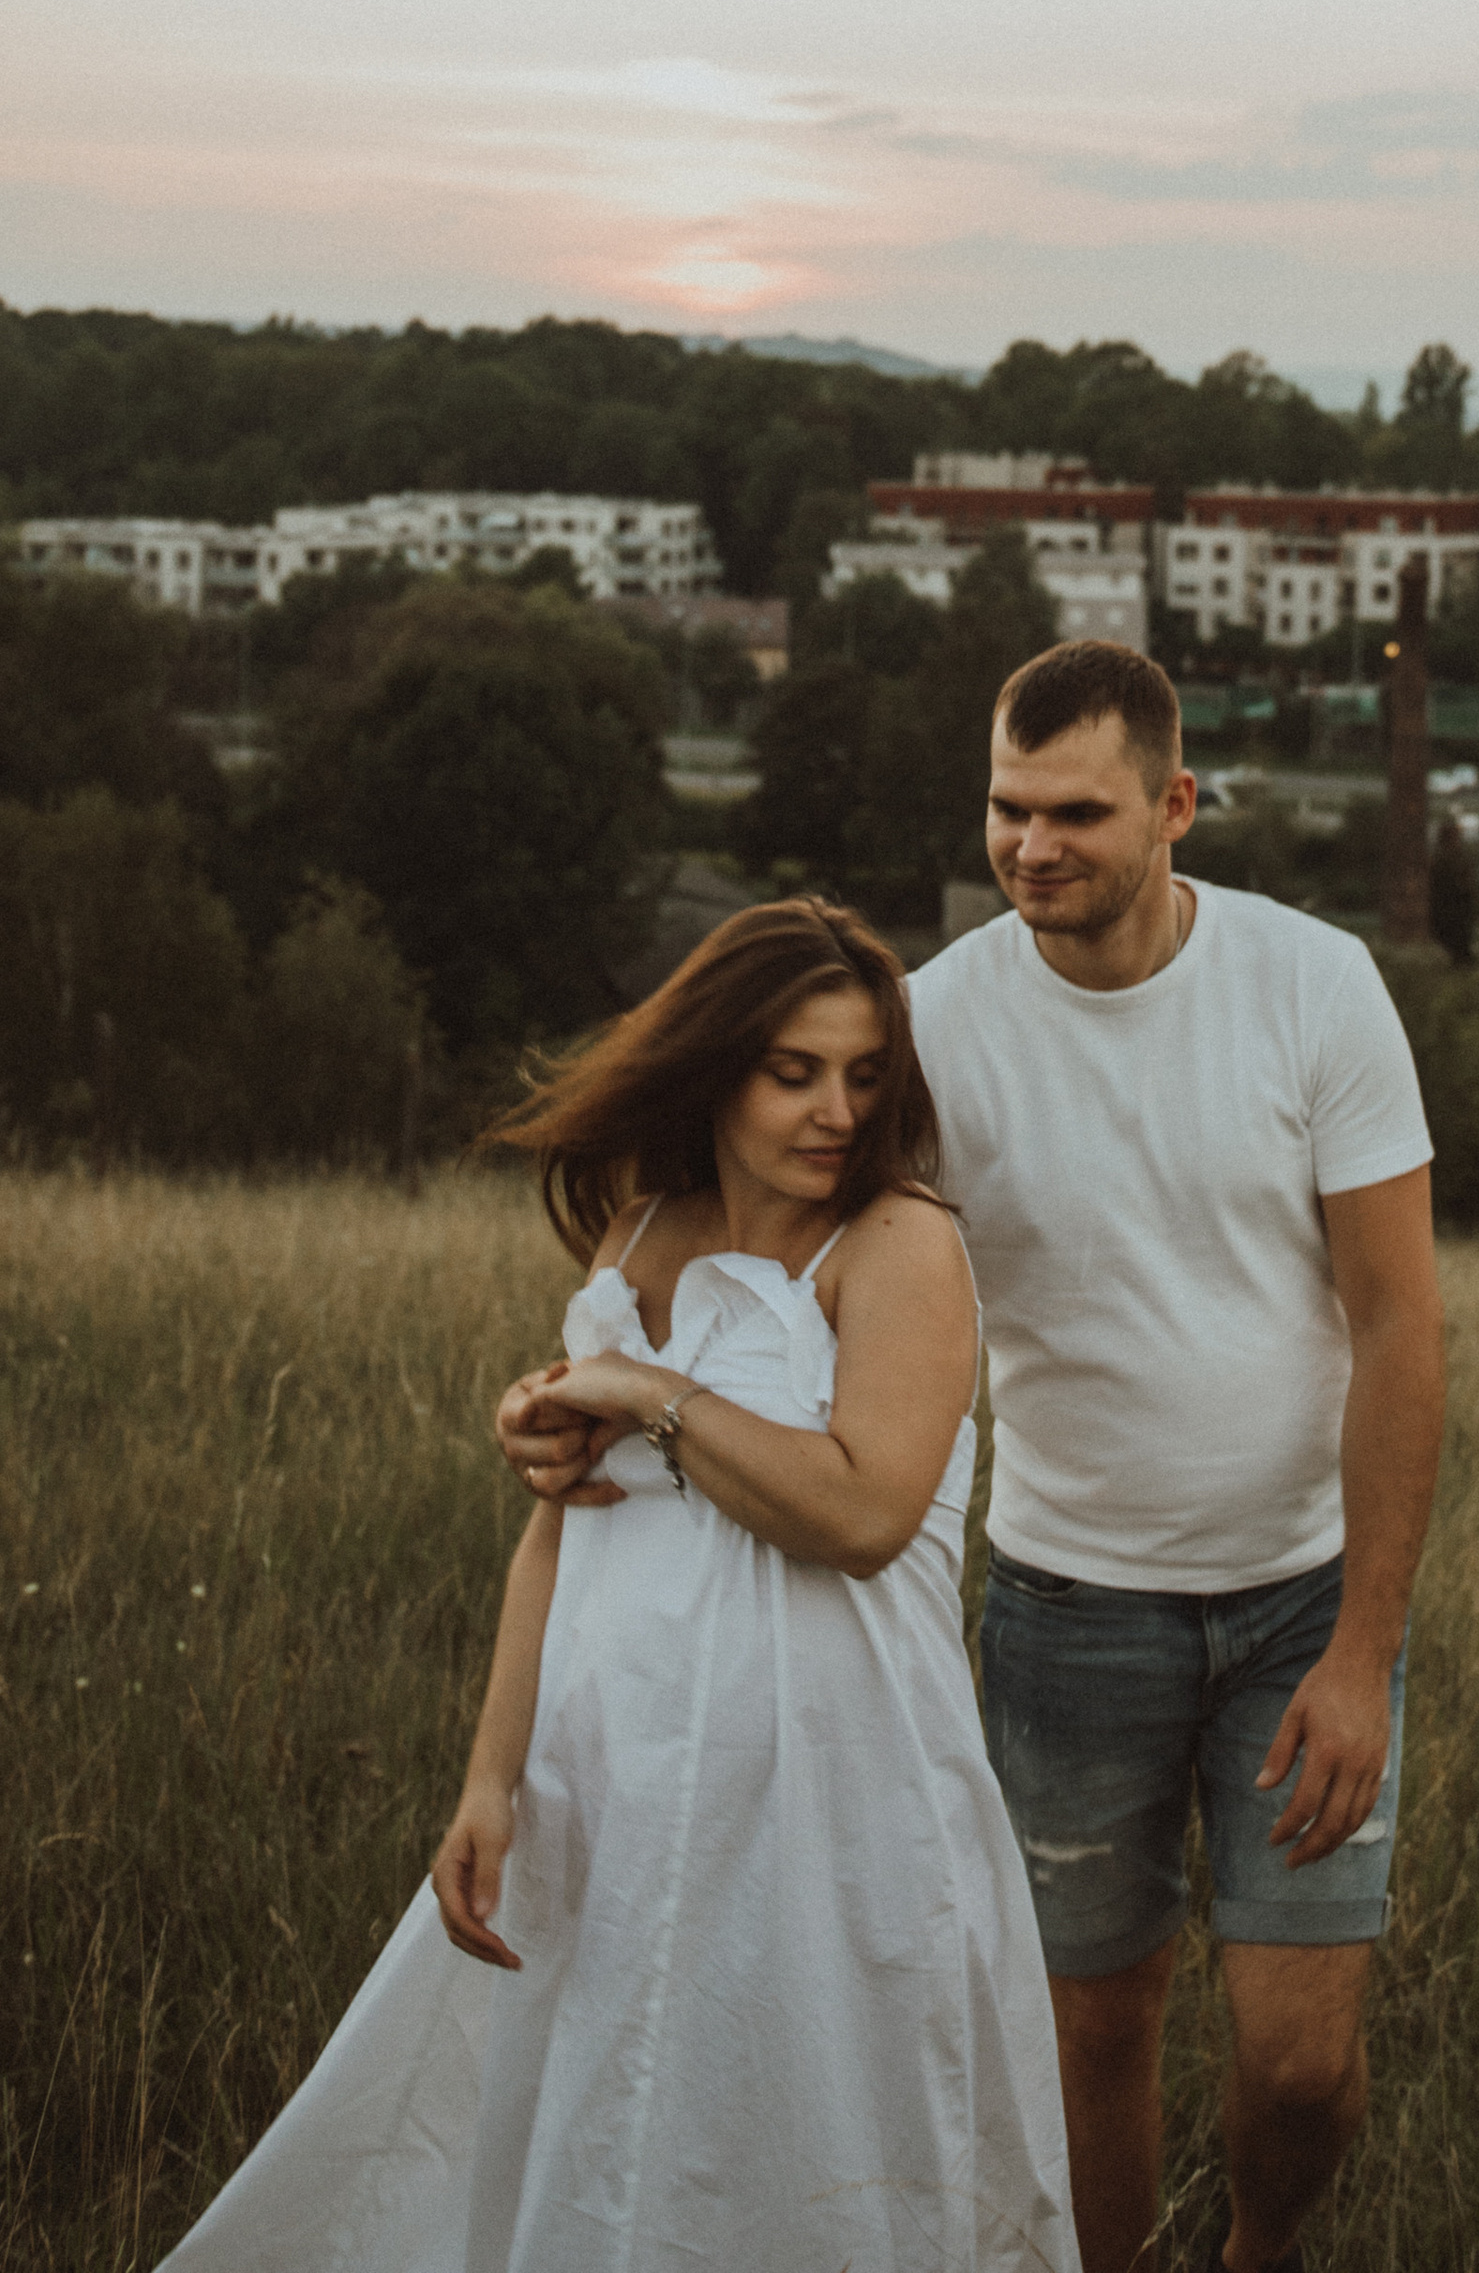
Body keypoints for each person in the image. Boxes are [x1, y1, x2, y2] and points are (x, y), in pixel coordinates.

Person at [504, 640, 1446, 2273]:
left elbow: (1401, 1328)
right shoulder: (928, 1035)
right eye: (1009, 809)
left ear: (1175, 808)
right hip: (1069, 1609)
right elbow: (761, 1236)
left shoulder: (1316, 986)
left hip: (1301, 1601)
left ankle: (1262, 2248)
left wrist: (1365, 1647)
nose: (1032, 848)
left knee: (1299, 2067)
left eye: (1076, 813)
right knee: (1087, 2037)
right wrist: (590, 1383)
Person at [165, 901, 1076, 2273]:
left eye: (865, 1073)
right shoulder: (642, 1237)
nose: (837, 1109)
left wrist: (648, 1390)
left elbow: (865, 1511)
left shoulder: (902, 1243)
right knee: (617, 2122)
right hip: (621, 1768)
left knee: (819, 2135)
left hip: (834, 1783)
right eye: (794, 1072)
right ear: (715, 1069)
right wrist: (490, 1779)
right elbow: (562, 1529)